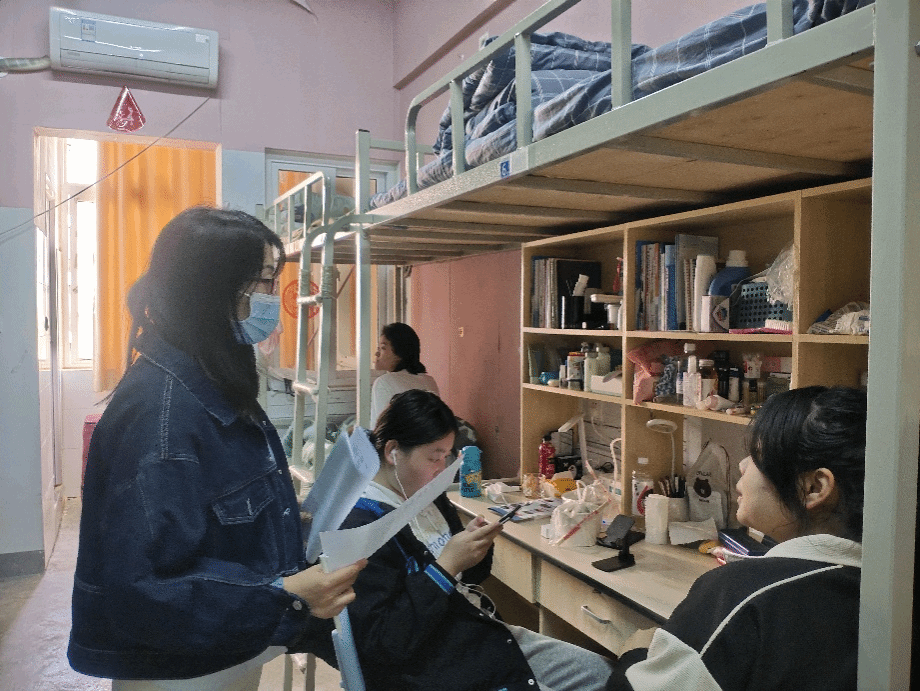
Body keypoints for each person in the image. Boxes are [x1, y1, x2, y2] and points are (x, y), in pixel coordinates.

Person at [68, 207, 365, 690]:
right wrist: (286, 593)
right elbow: (145, 590)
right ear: (212, 288)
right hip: (177, 671)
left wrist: (273, 519)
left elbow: (201, 513)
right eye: (265, 281)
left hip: (220, 649)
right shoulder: (163, 414)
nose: (272, 297)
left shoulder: (209, 380)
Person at [341, 389, 615, 691]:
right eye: (433, 457)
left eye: (446, 457)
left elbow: (469, 579)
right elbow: (387, 641)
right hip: (431, 665)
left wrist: (474, 549)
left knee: (606, 675)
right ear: (393, 451)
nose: (441, 468)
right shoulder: (361, 525)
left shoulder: (425, 493)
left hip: (475, 633)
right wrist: (446, 566)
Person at [606, 386, 866, 691]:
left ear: (813, 488)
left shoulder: (742, 593)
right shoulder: (889, 593)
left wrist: (633, 654)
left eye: (756, 456)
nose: (742, 466)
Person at [369, 322, 439, 426]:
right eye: (378, 348)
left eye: (383, 348)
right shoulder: (430, 381)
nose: (377, 353)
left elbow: (381, 429)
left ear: (399, 353)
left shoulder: (384, 383)